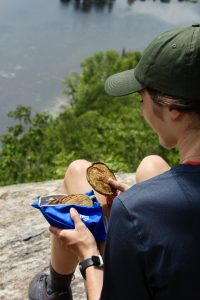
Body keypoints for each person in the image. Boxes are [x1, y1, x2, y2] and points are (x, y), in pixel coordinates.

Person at [28, 23, 200, 300]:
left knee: (78, 172)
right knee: (150, 165)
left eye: (140, 99)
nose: (142, 109)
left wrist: (89, 256)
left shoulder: (137, 210)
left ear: (173, 110)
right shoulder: (142, 207)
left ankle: (55, 290)